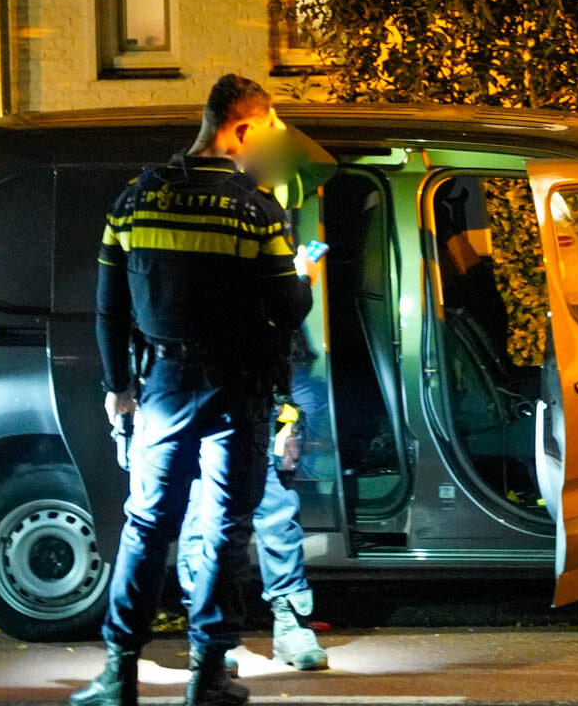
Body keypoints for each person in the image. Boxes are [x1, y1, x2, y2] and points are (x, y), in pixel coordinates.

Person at [71, 75, 317, 706]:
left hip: (163, 385)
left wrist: (117, 385)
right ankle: (207, 677)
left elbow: (108, 308)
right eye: (264, 132)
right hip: (236, 387)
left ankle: (116, 673)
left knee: (146, 525)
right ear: (242, 130)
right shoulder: (255, 210)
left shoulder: (133, 203)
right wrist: (305, 272)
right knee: (224, 529)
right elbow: (287, 310)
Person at [176, 330, 329, 672]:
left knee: (277, 511)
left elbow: (288, 323)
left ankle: (290, 624)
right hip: (198, 392)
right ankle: (206, 634)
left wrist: (290, 414)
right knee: (203, 516)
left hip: (260, 396)